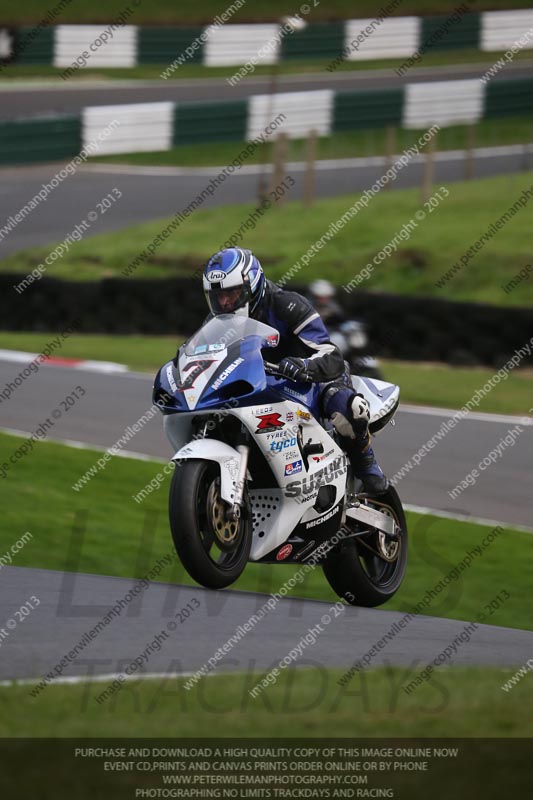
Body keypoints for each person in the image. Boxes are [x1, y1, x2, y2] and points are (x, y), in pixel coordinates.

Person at [202, 247, 388, 496]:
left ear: (251, 286)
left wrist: (304, 366)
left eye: (232, 294)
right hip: (259, 384)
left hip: (311, 378)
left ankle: (367, 466)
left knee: (346, 404)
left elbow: (330, 354)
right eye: (218, 296)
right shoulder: (214, 323)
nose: (224, 302)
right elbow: (203, 358)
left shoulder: (286, 304)